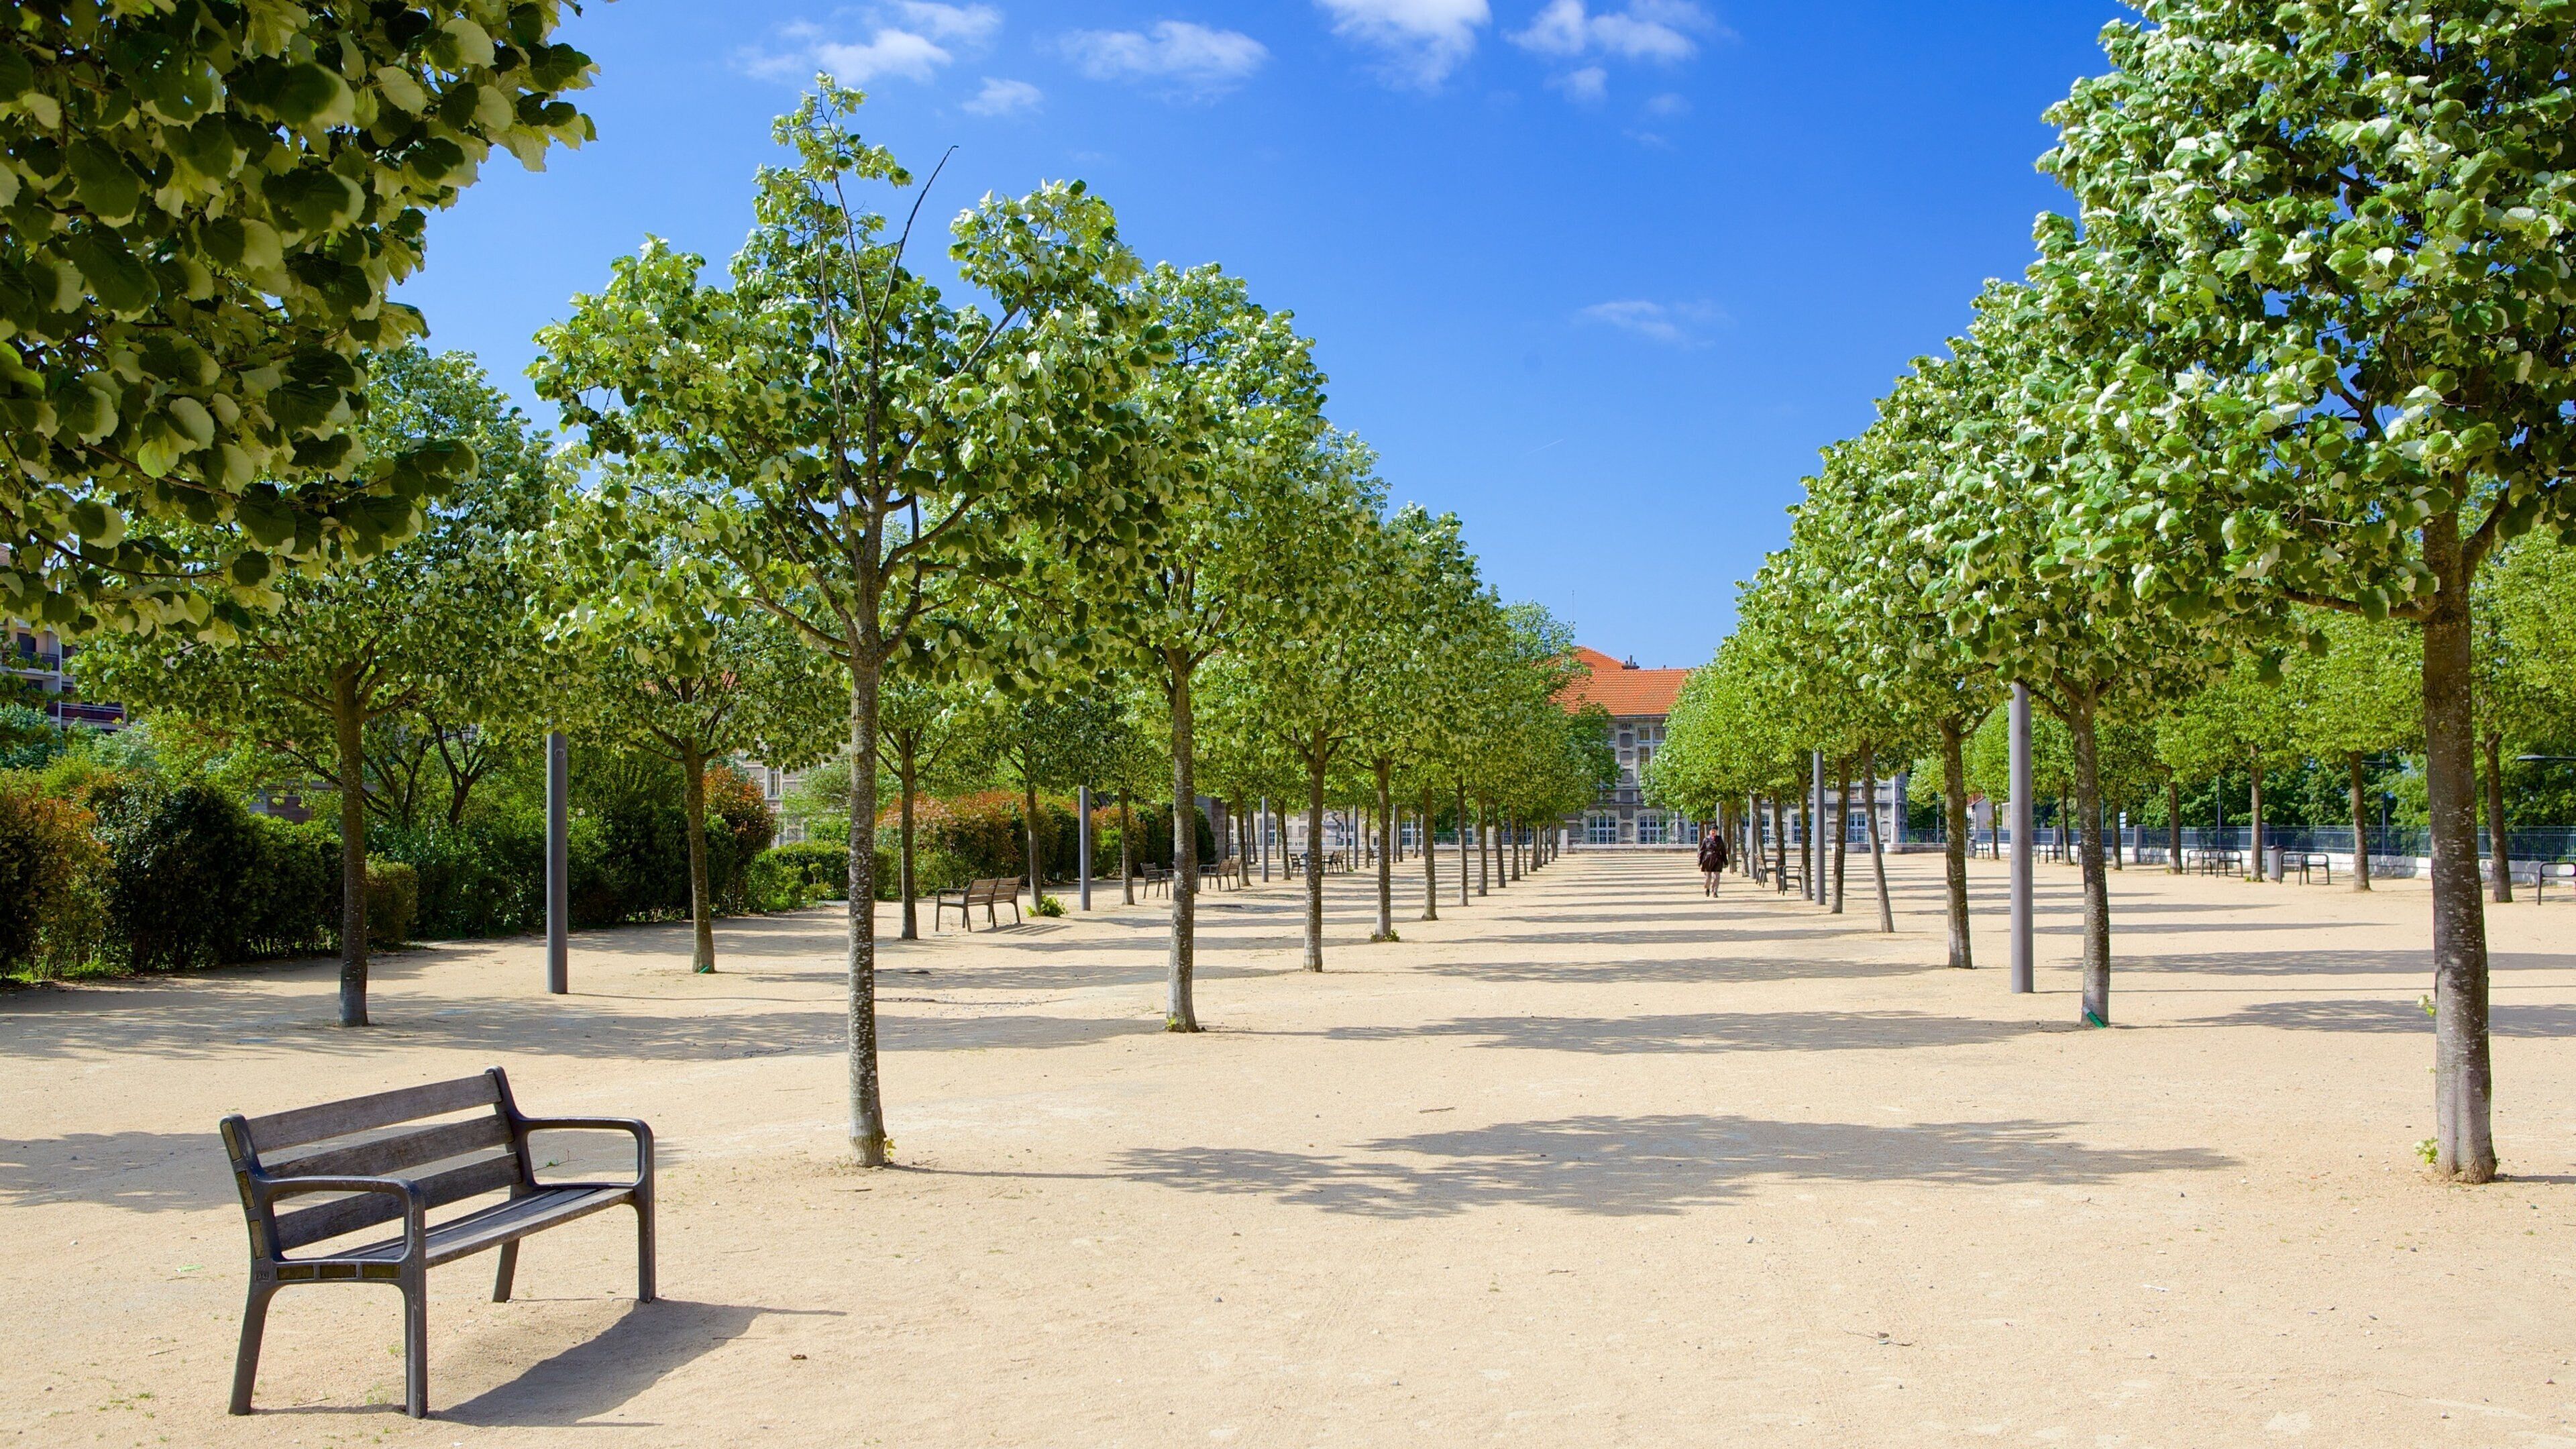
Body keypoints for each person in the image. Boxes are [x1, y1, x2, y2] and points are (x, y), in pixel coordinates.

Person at [1697, 824, 1729, 896]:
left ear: (1717, 831)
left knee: (1717, 876)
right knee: (1708, 877)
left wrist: (1725, 861)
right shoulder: (1706, 839)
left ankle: (1715, 891)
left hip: (1717, 859)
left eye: (1715, 831)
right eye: (1712, 831)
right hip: (1708, 859)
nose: (1713, 832)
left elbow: (1723, 851)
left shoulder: (1719, 839)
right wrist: (1700, 860)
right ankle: (1707, 888)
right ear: (1709, 832)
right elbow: (1702, 851)